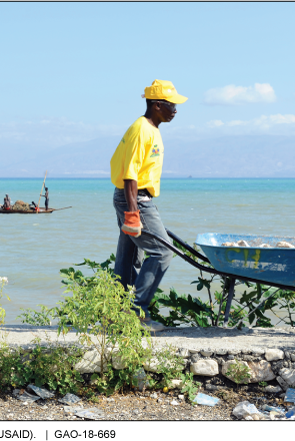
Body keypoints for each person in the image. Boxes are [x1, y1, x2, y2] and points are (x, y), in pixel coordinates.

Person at [109, 79, 188, 332]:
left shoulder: (152, 128)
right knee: (163, 252)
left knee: (129, 257)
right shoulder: (142, 129)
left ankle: (116, 314)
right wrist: (133, 212)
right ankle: (135, 313)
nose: (175, 110)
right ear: (156, 105)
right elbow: (130, 174)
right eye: (171, 105)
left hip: (134, 197)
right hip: (134, 198)